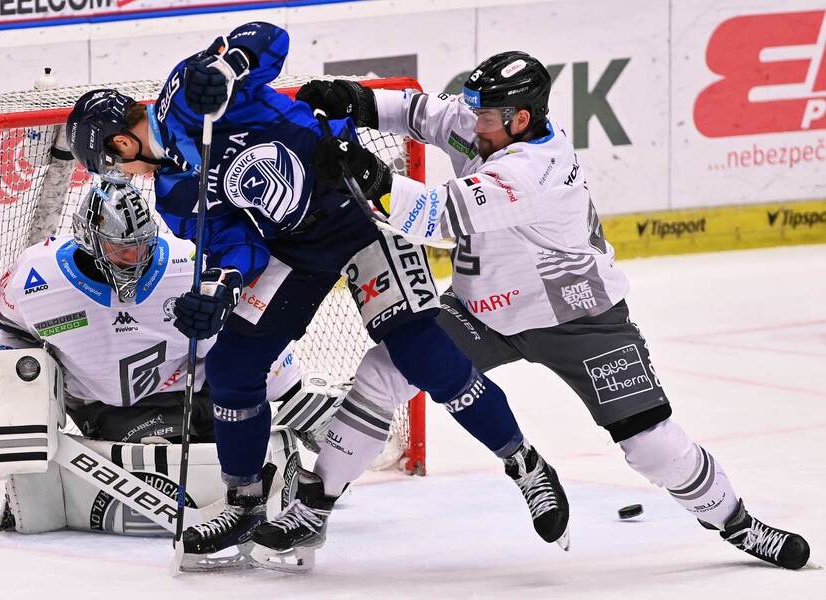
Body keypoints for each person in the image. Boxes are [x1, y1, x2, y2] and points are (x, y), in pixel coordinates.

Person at [258, 51, 813, 571]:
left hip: (580, 320)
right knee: (380, 374)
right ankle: (315, 507)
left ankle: (737, 524)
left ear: (522, 119)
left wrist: (369, 173)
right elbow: (418, 110)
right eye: (475, 110)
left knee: (651, 445)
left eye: (487, 117)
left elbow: (438, 218)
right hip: (484, 313)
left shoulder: (535, 170)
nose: (473, 124)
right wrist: (354, 98)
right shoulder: (485, 122)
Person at [66, 22, 568, 570]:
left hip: (362, 210)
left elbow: (269, 39)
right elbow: (237, 246)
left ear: (120, 142)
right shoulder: (173, 191)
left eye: (113, 166)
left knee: (420, 351)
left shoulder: (189, 94)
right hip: (296, 248)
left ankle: (523, 464)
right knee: (234, 362)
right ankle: (245, 501)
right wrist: (218, 289)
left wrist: (228, 66)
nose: (123, 176)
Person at [0, 179, 300, 444]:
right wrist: (23, 398)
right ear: (90, 239)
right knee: (162, 462)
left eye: (143, 245)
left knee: (237, 449)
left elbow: (247, 318)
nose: (137, 257)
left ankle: (296, 398)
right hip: (105, 405)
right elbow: (10, 330)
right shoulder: (36, 277)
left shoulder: (188, 262)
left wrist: (290, 390)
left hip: (198, 389)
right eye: (123, 249)